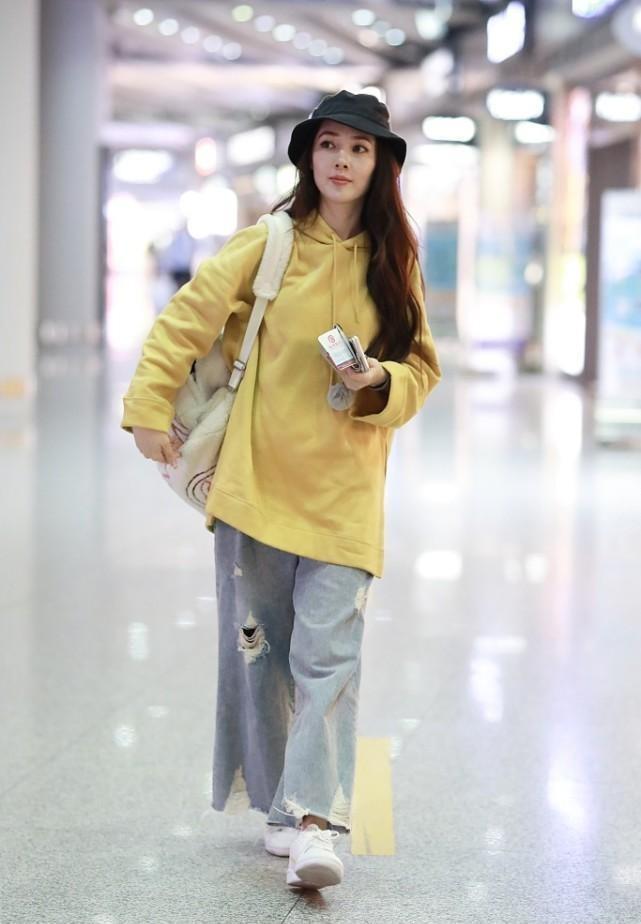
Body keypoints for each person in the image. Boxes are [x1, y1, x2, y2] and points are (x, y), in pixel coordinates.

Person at [121, 90, 441, 892]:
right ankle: (279, 806)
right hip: (256, 489)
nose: (342, 160)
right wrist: (147, 407)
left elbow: (421, 369)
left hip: (346, 495)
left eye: (359, 149)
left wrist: (378, 381)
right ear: (307, 156)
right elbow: (185, 321)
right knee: (260, 659)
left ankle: (314, 823)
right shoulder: (267, 243)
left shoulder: (394, 261)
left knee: (329, 659)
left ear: (380, 165)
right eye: (329, 144)